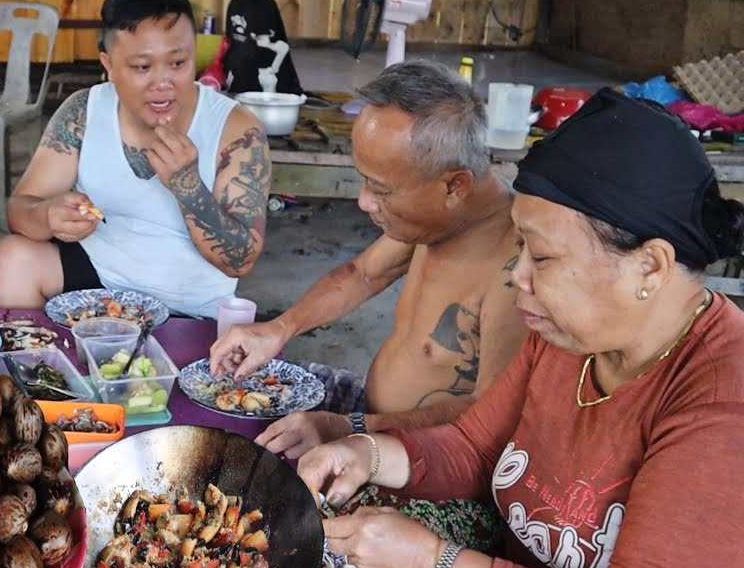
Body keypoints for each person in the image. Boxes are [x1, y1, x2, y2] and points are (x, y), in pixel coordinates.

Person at [301, 88, 744, 568]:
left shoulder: (722, 410)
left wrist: (435, 566)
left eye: (542, 256)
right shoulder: (570, 334)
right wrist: (366, 451)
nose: (518, 277)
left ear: (650, 267)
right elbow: (475, 448)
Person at [211, 60, 526, 457]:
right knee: (229, 406)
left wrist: (351, 430)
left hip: (420, 455)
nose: (363, 201)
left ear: (454, 185)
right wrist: (277, 329)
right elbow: (361, 274)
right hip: (367, 413)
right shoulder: (440, 221)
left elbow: (490, 414)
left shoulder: (517, 268)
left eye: (381, 189)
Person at [0, 0, 271, 318]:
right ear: (108, 65)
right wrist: (48, 216)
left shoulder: (236, 129)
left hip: (190, 308)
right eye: (142, 67)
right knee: (13, 259)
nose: (163, 83)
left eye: (178, 63)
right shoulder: (83, 112)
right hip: (97, 284)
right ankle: (31, 366)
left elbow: (239, 260)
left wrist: (188, 188)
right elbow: (20, 210)